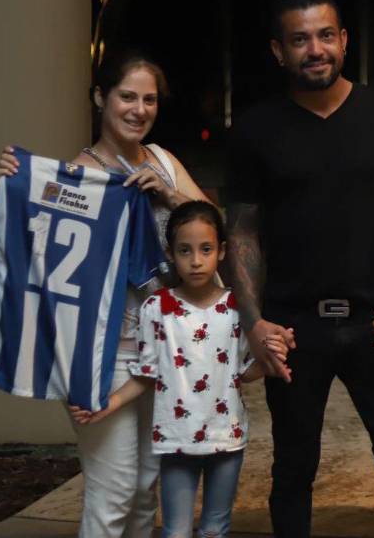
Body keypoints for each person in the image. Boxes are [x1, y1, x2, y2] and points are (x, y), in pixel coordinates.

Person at [224, 0, 374, 538]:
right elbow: (242, 232)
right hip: (293, 326)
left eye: (324, 36)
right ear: (278, 51)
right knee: (293, 467)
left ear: (343, 40)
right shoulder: (254, 128)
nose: (314, 49)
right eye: (299, 40)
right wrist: (254, 323)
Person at [0, 53, 213, 538]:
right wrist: (19, 179)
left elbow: (209, 225)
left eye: (149, 99)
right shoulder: (76, 176)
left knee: (145, 489)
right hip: (102, 354)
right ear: (101, 98)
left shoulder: (163, 161)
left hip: (162, 351)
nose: (139, 109)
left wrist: (168, 195)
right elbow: (38, 254)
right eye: (127, 96)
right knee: (112, 491)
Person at [70, 201, 281, 538]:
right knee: (175, 531)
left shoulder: (237, 309)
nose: (196, 260)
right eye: (185, 250)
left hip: (226, 440)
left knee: (215, 529)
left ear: (222, 252)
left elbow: (244, 372)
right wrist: (107, 404)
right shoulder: (156, 308)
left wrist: (271, 359)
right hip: (175, 442)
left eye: (206, 249)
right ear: (170, 253)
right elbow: (145, 374)